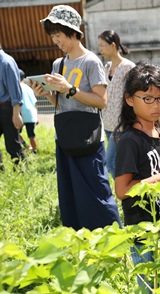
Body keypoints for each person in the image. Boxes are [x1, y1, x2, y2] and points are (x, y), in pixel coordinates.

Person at [32, 5, 122, 231]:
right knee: (71, 190)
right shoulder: (58, 64)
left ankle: (111, 236)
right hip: (66, 137)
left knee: (96, 189)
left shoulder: (91, 62)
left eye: (59, 35)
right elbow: (62, 104)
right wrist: (47, 94)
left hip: (89, 138)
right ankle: (80, 237)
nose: (56, 41)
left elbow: (101, 101)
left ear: (73, 31)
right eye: (53, 36)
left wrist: (69, 88)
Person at [114, 61, 160, 289]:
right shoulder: (130, 141)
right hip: (145, 233)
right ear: (130, 99)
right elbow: (122, 190)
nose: (156, 105)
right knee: (152, 288)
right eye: (147, 99)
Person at [98, 29, 135, 178]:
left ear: (113, 45)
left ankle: (124, 192)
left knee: (110, 162)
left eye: (102, 45)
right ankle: (127, 190)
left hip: (122, 124)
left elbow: (133, 95)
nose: (99, 49)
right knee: (119, 161)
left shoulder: (128, 67)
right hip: (107, 122)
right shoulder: (105, 67)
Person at [0, 44, 25, 170]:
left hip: (7, 108)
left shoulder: (6, 62)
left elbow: (15, 90)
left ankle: (22, 172)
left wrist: (16, 113)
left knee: (12, 144)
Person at [19, 69, 38, 154]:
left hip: (20, 113)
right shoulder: (29, 88)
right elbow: (35, 103)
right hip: (31, 114)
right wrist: (37, 116)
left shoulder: (16, 88)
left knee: (15, 133)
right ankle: (34, 150)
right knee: (31, 134)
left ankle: (25, 146)